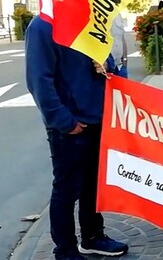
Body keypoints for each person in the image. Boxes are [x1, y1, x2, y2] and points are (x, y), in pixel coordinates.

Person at [25, 16, 129, 259]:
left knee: (93, 185)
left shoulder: (91, 23)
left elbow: (112, 67)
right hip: (70, 126)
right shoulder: (42, 25)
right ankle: (65, 250)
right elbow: (39, 80)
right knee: (66, 189)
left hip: (99, 119)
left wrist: (108, 66)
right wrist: (63, 121)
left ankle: (93, 236)